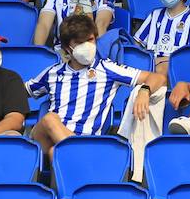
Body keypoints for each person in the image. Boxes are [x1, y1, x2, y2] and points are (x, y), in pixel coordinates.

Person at [25, 14, 165, 157]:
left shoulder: (106, 68)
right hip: (47, 137)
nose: (87, 46)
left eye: (90, 40)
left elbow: (157, 77)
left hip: (86, 140)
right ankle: (77, 154)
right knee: (50, 119)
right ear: (67, 48)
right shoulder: (52, 72)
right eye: (80, 43)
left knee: (55, 152)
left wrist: (144, 91)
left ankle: (70, 155)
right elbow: (22, 91)